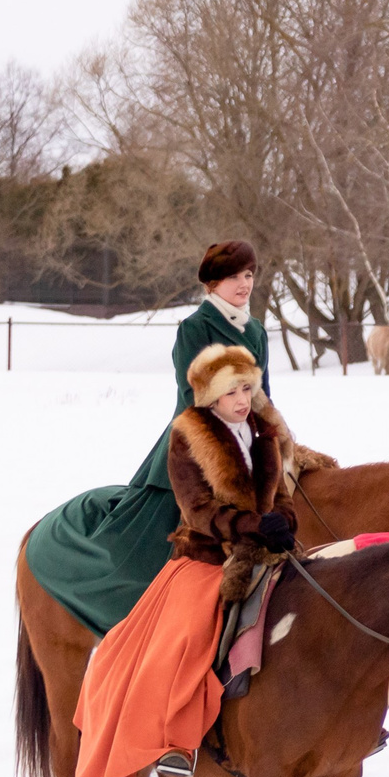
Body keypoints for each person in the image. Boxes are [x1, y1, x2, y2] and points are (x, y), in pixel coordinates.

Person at [26, 241, 326, 637]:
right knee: (164, 537)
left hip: (249, 439)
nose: (244, 283)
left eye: (249, 274)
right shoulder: (195, 328)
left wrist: (273, 444)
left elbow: (263, 396)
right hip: (199, 443)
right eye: (234, 276)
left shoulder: (255, 330)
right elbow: (195, 399)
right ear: (212, 284)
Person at [72, 344, 296, 777]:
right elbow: (198, 511)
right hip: (208, 558)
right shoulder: (188, 437)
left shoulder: (263, 432)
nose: (242, 397)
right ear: (210, 396)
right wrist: (253, 525)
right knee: (188, 640)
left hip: (271, 552)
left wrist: (284, 522)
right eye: (232, 390)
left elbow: (285, 493)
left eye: (247, 387)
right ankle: (177, 741)